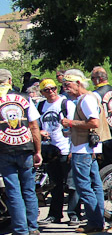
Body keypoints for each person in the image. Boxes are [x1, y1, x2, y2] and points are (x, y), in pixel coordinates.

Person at [60, 69, 110, 234]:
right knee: (94, 185)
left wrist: (71, 123)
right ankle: (98, 221)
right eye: (64, 85)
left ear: (78, 83)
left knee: (83, 186)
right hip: (88, 148)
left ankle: (94, 222)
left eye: (68, 84)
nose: (66, 88)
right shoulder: (88, 97)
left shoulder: (87, 99)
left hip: (83, 150)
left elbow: (93, 123)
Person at [0, 68, 43, 235]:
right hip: (25, 147)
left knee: (13, 191)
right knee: (28, 189)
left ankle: (20, 231)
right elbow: (34, 126)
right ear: (10, 81)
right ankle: (32, 228)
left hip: (4, 148)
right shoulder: (25, 98)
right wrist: (38, 150)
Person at [36, 79, 75, 226]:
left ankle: (73, 214)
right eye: (47, 90)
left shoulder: (66, 104)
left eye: (53, 88)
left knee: (71, 184)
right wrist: (40, 131)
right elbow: (37, 125)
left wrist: (72, 148)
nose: (51, 92)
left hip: (66, 147)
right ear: (42, 93)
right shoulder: (41, 105)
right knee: (55, 184)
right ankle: (54, 214)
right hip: (50, 150)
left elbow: (73, 127)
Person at [90, 67, 112, 135]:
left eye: (92, 78)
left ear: (99, 79)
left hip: (105, 131)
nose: (92, 80)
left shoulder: (95, 94)